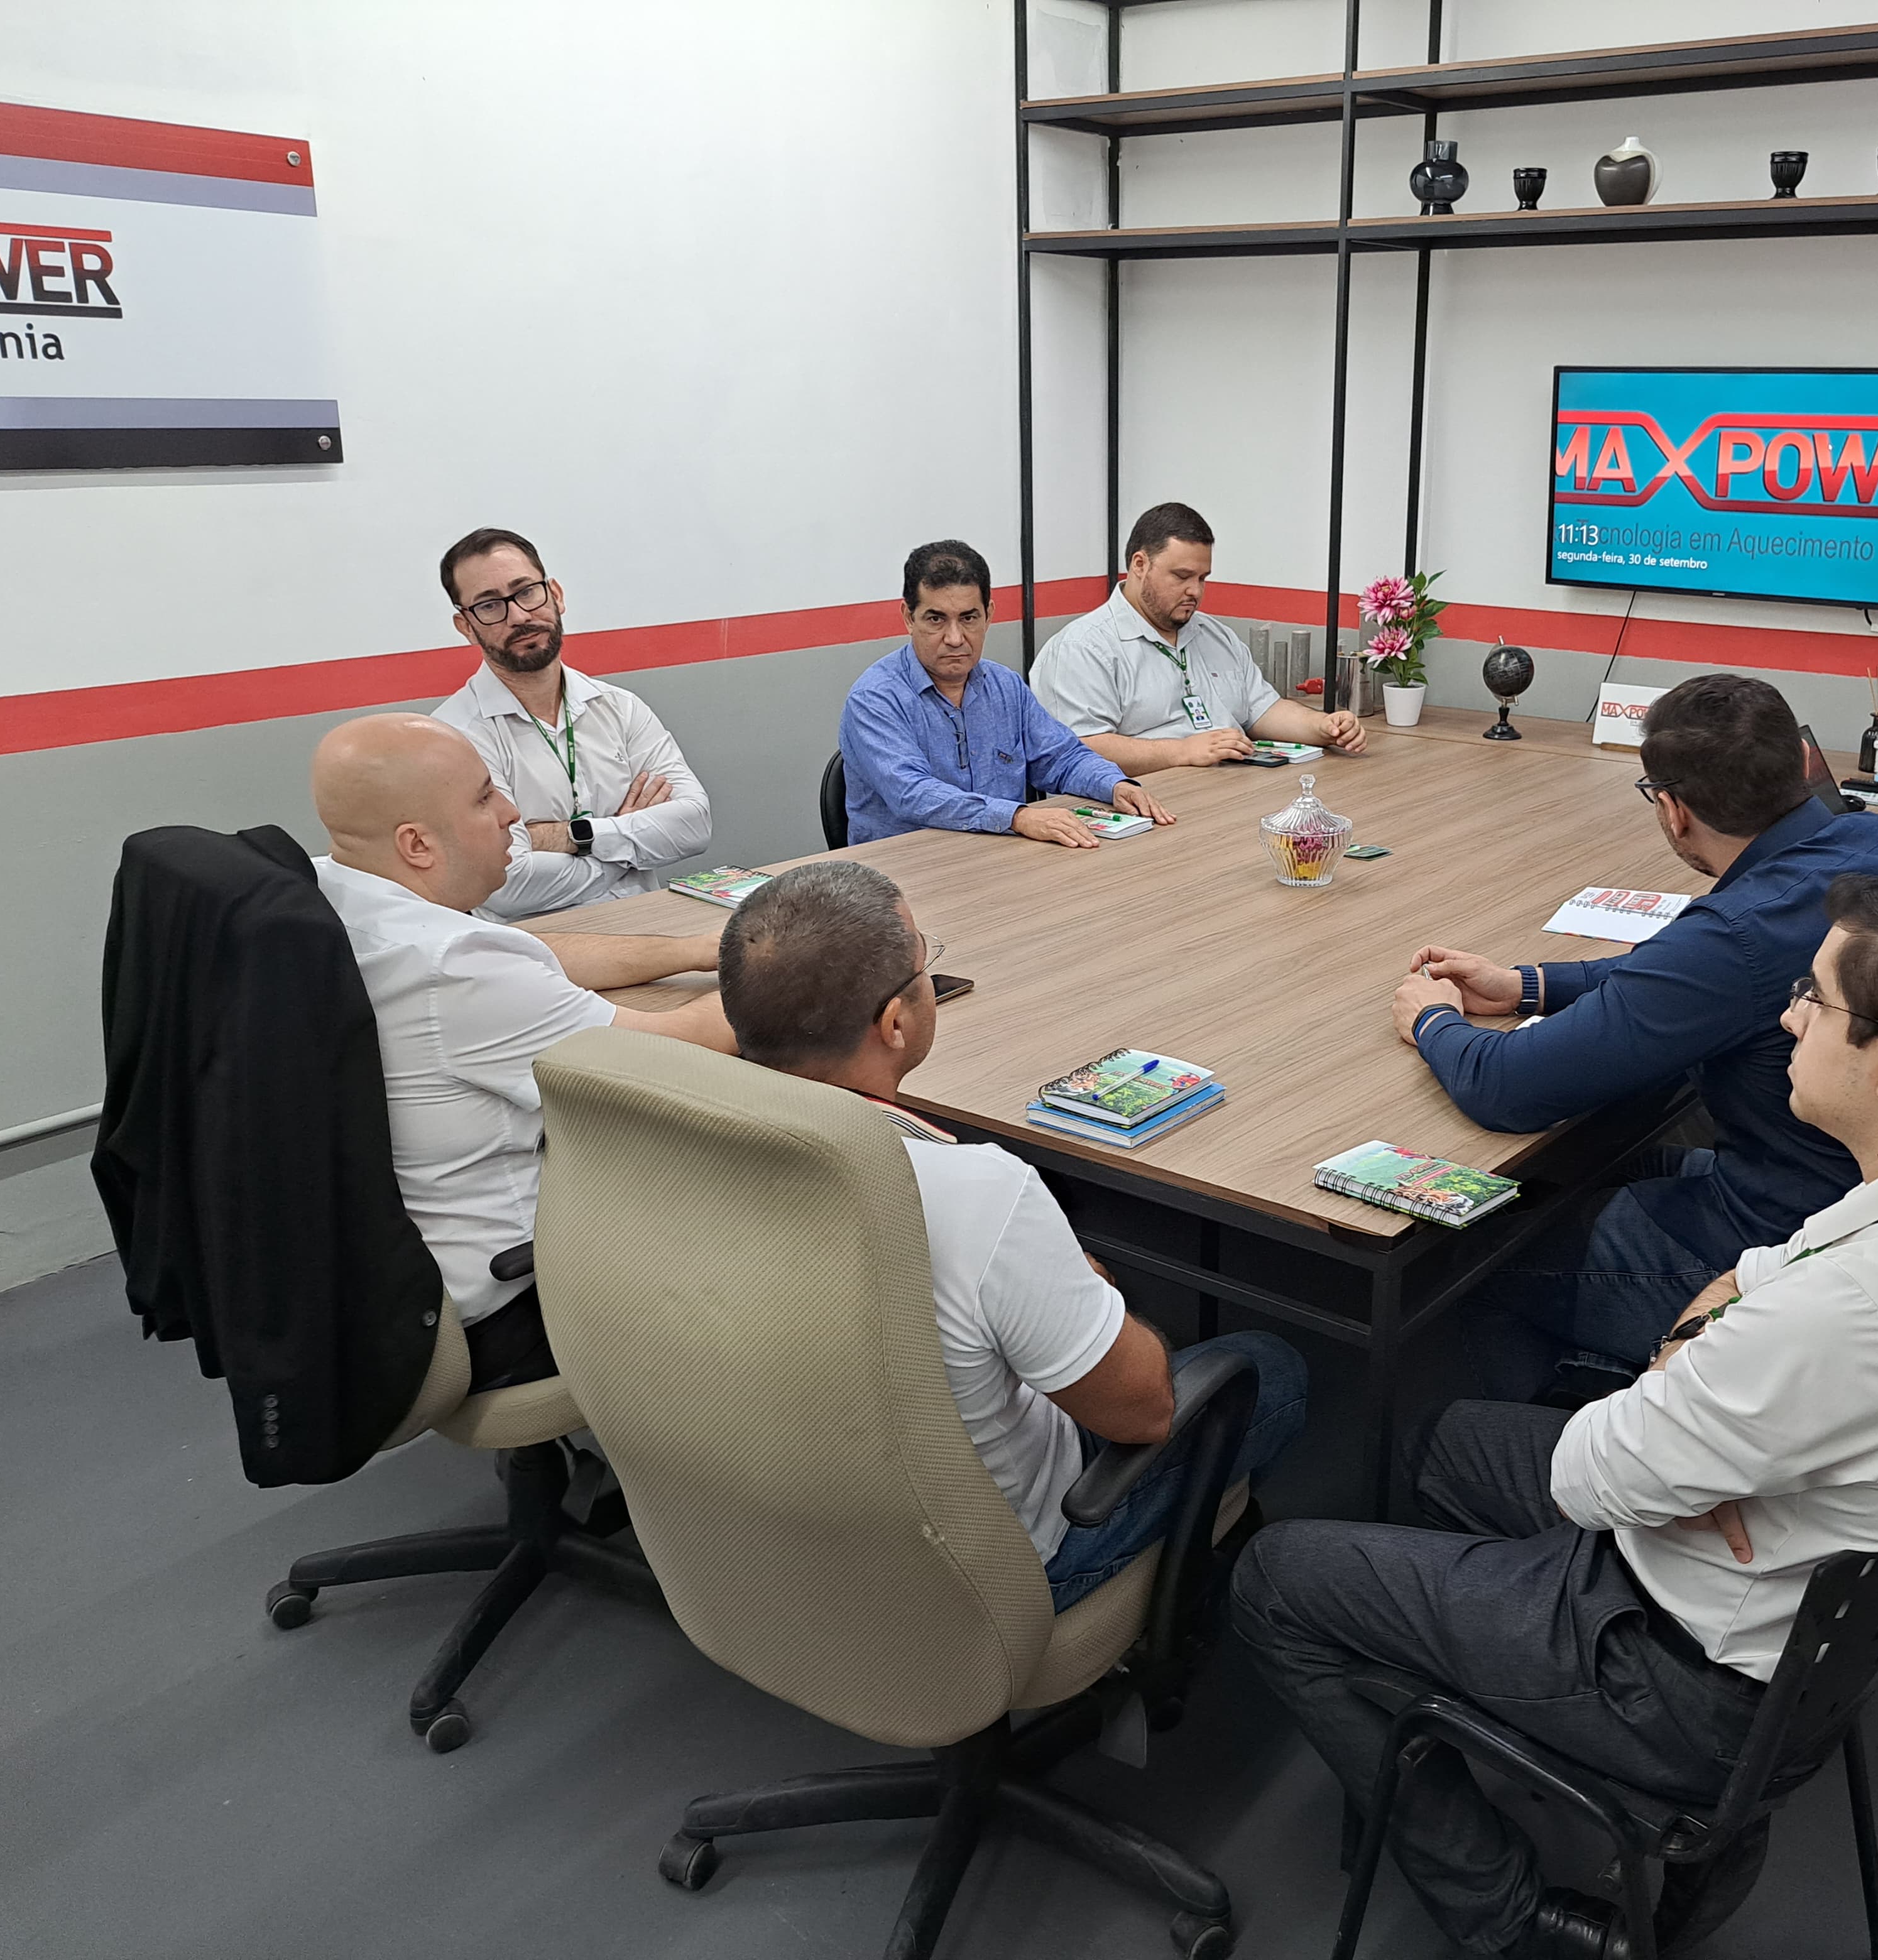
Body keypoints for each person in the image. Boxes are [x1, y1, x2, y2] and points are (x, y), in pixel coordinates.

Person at [1241, 869, 1878, 1960]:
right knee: (1447, 1443)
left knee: (1276, 1580)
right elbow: (1746, 1277)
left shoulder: (1853, 1308)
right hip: (1793, 1610)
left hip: (1683, 1677)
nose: (1788, 1018)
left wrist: (1677, 1411)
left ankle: (1520, 1923)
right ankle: (1478, 1684)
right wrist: (1697, 1401)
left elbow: (1591, 1478)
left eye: (1815, 998)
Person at [716, 859, 1307, 1603]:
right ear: (894, 1023)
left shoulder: (681, 1138)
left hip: (764, 1522)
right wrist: (1088, 1290)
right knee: (1267, 1368)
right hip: (991, 1571)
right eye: (925, 964)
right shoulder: (974, 1193)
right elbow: (1145, 1413)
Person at [1390, 673, 1878, 1403]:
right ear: (1802, 764)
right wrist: (1526, 984)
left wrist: (1433, 1020)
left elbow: (1506, 1088)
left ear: (1674, 811)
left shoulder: (1736, 933)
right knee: (1598, 1169)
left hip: (1781, 1248)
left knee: (1475, 1252)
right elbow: (1678, 978)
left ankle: (1558, 1438)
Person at [310, 713, 734, 1391]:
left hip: (401, 1266)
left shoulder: (337, 889)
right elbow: (677, 1051)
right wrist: (795, 968)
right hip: (512, 1302)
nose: (511, 813)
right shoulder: (455, 967)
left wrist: (694, 951)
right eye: (484, 798)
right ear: (417, 843)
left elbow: (531, 953)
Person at [429, 526, 714, 922]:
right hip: (539, 947)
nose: (519, 616)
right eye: (490, 606)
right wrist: (626, 841)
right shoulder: (453, 737)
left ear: (556, 595)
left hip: (650, 926)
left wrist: (577, 836)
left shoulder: (620, 707)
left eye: (526, 591)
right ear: (466, 627)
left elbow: (694, 825)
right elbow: (506, 884)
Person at [841, 539, 1176, 847]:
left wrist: (1115, 785)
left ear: (989, 615)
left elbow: (1061, 757)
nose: (955, 638)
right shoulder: (875, 699)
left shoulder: (1005, 686)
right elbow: (913, 794)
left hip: (1001, 857)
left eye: (969, 618)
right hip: (907, 868)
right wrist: (1017, 818)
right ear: (908, 618)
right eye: (936, 620)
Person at [1029, 501, 1367, 773]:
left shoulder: (1214, 635)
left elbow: (1262, 710)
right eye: (1182, 576)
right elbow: (1080, 748)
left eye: (1203, 578)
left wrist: (1322, 727)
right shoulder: (1082, 648)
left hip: (1227, 790)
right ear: (1139, 565)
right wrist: (1182, 752)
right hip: (1143, 802)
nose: (1195, 591)